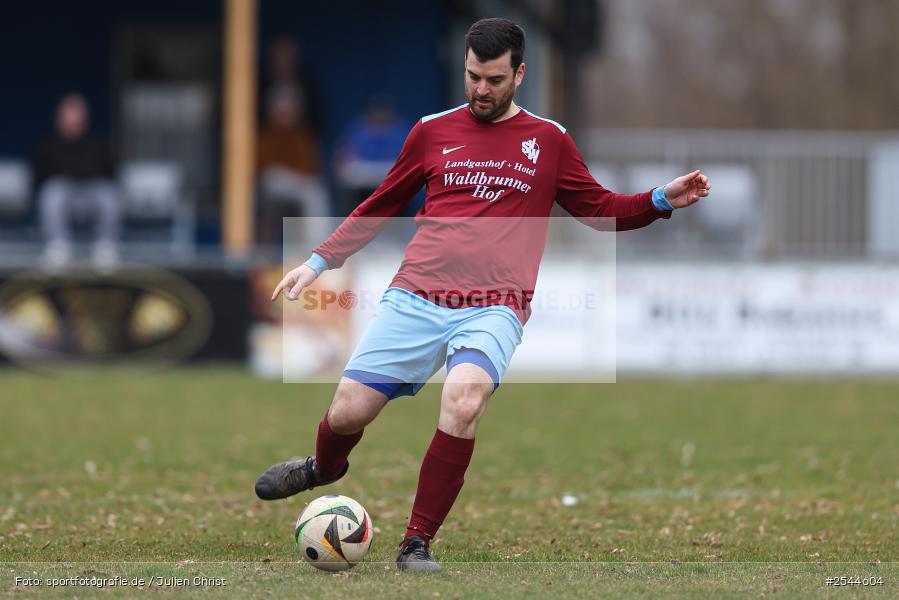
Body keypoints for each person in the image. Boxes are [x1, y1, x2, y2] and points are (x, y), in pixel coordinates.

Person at [255, 18, 711, 573]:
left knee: (464, 398)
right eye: (473, 76)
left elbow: (598, 209)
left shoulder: (549, 140)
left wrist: (660, 199)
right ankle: (324, 470)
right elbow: (382, 202)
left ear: (519, 74)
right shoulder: (431, 131)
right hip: (417, 294)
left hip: (496, 305)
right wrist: (319, 261)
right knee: (348, 412)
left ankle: (416, 543)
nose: (481, 89)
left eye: (494, 79)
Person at [32, 94, 120, 268]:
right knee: (52, 191)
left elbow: (110, 172)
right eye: (68, 116)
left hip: (92, 195)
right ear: (60, 119)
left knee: (108, 193)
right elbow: (39, 177)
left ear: (84, 119)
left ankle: (106, 246)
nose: (72, 121)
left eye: (76, 116)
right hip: (64, 196)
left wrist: (80, 174)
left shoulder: (97, 144)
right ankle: (58, 246)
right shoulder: (48, 145)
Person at [256, 84, 328, 245]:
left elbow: (310, 168)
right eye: (280, 111)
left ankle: (317, 247)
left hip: (297, 187)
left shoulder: (302, 136)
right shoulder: (265, 136)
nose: (285, 115)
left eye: (288, 111)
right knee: (308, 190)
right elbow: (262, 167)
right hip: (270, 184)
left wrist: (298, 177)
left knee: (314, 192)